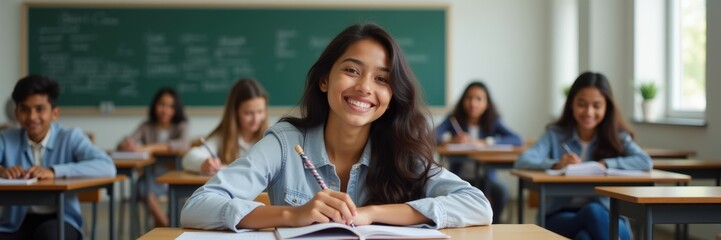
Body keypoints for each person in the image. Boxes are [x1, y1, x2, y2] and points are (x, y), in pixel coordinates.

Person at [180, 23, 492, 231]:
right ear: (324, 79)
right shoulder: (285, 143)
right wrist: (293, 215)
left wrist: (372, 214)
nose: (365, 87)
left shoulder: (400, 149)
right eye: (352, 70)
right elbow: (197, 207)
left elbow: (478, 206)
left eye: (382, 78)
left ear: (393, 93)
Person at [514, 72, 651, 240]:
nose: (589, 112)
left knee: (584, 236)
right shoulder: (554, 134)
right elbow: (523, 161)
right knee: (590, 212)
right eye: (582, 104)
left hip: (607, 216)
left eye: (597, 105)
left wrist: (605, 165)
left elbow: (644, 161)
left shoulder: (618, 136)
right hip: (560, 216)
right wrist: (557, 164)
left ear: (607, 107)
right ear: (571, 103)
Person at [0, 75, 116, 240]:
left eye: (39, 109)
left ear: (54, 113)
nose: (32, 117)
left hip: (61, 219)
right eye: (24, 109)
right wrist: (2, 171)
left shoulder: (70, 137)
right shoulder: (6, 138)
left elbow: (107, 166)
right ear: (16, 113)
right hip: (16, 222)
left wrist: (55, 171)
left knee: (49, 236)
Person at [435, 81, 522, 223]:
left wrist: (486, 142)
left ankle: (495, 223)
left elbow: (517, 139)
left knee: (501, 191)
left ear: (487, 103)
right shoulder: (454, 119)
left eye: (478, 99)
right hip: (460, 178)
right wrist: (451, 141)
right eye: (469, 98)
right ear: (463, 100)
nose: (473, 103)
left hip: (485, 178)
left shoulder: (493, 122)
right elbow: (432, 136)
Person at [118, 87, 189, 227]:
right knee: (143, 188)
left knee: (183, 194)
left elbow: (183, 144)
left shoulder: (181, 125)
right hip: (151, 177)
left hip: (175, 176)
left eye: (170, 106)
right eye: (162, 104)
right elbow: (125, 143)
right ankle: (166, 226)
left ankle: (163, 227)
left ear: (176, 109)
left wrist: (148, 147)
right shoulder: (146, 126)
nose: (165, 110)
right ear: (155, 105)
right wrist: (126, 144)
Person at [182, 78, 269, 176]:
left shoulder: (270, 138)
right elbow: (188, 158)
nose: (256, 119)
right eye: (248, 113)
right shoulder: (222, 137)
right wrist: (203, 163)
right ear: (235, 112)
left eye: (260, 111)